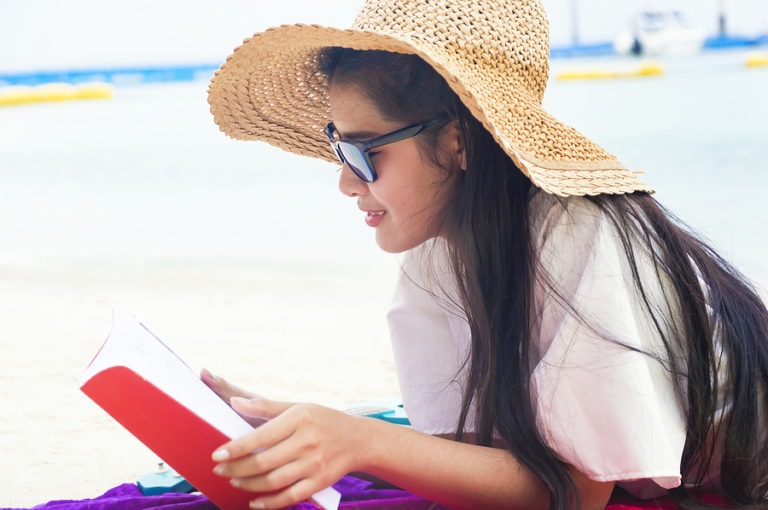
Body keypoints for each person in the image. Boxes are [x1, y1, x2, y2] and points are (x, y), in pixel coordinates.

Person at [202, 0, 768, 509]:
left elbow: (574, 493)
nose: (347, 184)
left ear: (458, 141)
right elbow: (463, 449)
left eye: (364, 151)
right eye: (337, 146)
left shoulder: (578, 230)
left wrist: (362, 441)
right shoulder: (441, 243)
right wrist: (283, 422)